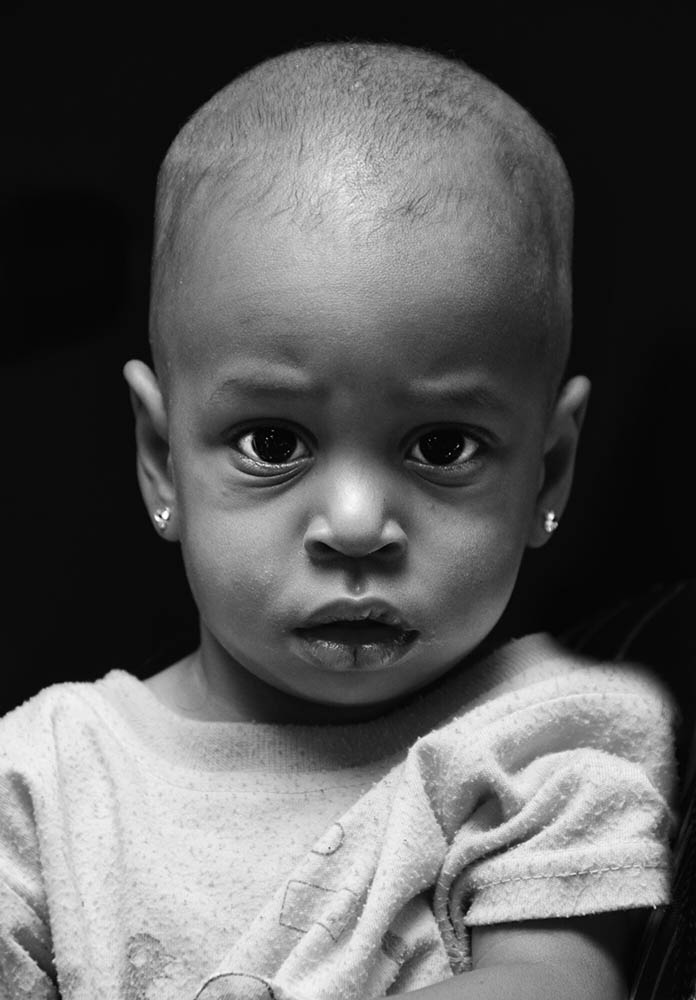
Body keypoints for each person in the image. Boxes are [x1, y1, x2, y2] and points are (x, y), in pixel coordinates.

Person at [0, 42, 676, 1000]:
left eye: (441, 446)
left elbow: (553, 980)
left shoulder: (546, 745)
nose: (356, 527)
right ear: (160, 456)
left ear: (549, 469)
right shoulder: (45, 781)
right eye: (273, 442)